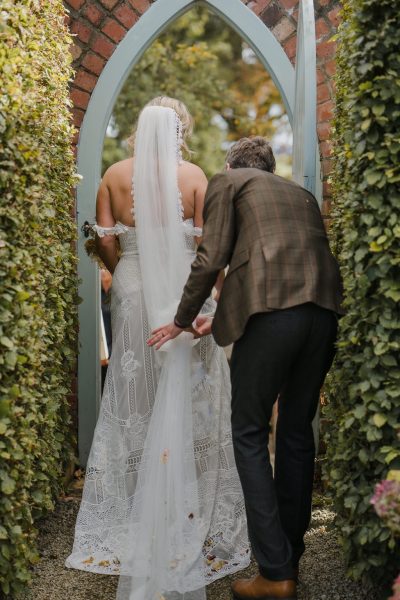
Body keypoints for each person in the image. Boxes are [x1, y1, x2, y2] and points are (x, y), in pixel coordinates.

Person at [66, 97, 250, 600]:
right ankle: (186, 502)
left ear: (136, 132)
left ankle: (134, 506)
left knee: (133, 392)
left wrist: (126, 261)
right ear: (180, 129)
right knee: (195, 391)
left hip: (131, 284)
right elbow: (211, 246)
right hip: (181, 291)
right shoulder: (194, 175)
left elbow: (105, 240)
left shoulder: (113, 174)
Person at [149, 136, 344, 600]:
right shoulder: (300, 194)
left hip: (272, 318)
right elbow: (282, 272)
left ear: (232, 164)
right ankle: (289, 559)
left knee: (249, 432)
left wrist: (180, 320)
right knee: (296, 429)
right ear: (270, 166)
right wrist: (214, 318)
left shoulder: (228, 180)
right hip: (322, 314)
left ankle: (275, 573)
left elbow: (212, 257)